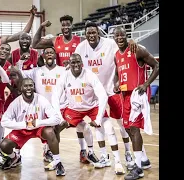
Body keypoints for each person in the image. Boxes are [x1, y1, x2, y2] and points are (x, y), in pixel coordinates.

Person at [74, 21, 138, 169]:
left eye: (93, 32)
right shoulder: (80, 48)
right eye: (88, 33)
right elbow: (75, 66)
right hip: (94, 93)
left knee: (122, 123)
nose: (91, 35)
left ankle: (128, 153)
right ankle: (104, 155)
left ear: (98, 32)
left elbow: (124, 48)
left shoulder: (109, 43)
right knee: (100, 125)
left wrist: (131, 41)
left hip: (112, 89)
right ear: (85, 34)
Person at [15, 47, 94, 164]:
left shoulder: (64, 70)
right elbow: (19, 72)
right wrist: (21, 62)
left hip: (64, 107)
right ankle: (48, 152)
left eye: (51, 52)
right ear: (43, 56)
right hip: (45, 109)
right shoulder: (36, 71)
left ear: (55, 56)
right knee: (50, 131)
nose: (49, 54)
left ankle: (86, 152)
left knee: (84, 127)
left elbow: (79, 75)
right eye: (46, 53)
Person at [54, 53, 125, 175]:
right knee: (57, 129)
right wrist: (59, 118)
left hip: (92, 106)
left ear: (82, 63)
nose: (76, 65)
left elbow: (102, 96)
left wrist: (98, 119)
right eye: (73, 62)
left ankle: (117, 161)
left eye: (78, 62)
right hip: (74, 109)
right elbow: (55, 97)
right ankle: (55, 160)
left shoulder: (90, 75)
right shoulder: (64, 76)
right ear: (69, 64)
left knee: (109, 128)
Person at [113, 27, 159, 180]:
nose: (119, 37)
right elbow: (117, 74)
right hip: (125, 96)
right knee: (127, 128)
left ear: (127, 36)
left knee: (134, 128)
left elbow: (157, 66)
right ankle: (144, 160)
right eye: (116, 35)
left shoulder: (137, 49)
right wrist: (116, 84)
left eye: (122, 35)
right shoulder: (116, 56)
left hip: (137, 94)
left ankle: (138, 168)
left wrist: (146, 84)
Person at [0, 78, 66, 176]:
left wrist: (38, 122)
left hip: (39, 128)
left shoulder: (41, 99)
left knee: (51, 131)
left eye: (31, 85)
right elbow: (4, 122)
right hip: (22, 130)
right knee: (4, 145)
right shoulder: (16, 103)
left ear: (34, 87)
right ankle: (14, 157)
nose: (28, 88)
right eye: (26, 86)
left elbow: (56, 118)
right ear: (21, 88)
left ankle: (58, 162)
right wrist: (24, 124)